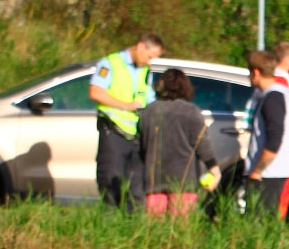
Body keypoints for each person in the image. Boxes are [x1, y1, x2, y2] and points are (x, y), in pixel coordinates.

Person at [89, 32, 164, 209]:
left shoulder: (145, 70)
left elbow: (148, 98)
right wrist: (126, 105)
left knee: (135, 187)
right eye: (149, 56)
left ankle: (130, 227)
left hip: (136, 135)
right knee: (111, 182)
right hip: (113, 130)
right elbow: (95, 92)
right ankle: (109, 224)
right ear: (139, 46)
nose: (149, 61)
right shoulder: (110, 64)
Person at [136, 68, 219, 217]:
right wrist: (214, 168)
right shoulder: (191, 111)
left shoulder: (148, 112)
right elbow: (202, 144)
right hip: (183, 181)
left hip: (154, 180)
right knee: (181, 226)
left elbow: (140, 147)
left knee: (155, 229)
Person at [244, 43, 289, 219]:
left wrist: (257, 171)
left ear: (255, 72)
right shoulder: (272, 94)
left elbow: (275, 138)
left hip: (268, 174)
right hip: (268, 173)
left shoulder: (273, 97)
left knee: (259, 223)